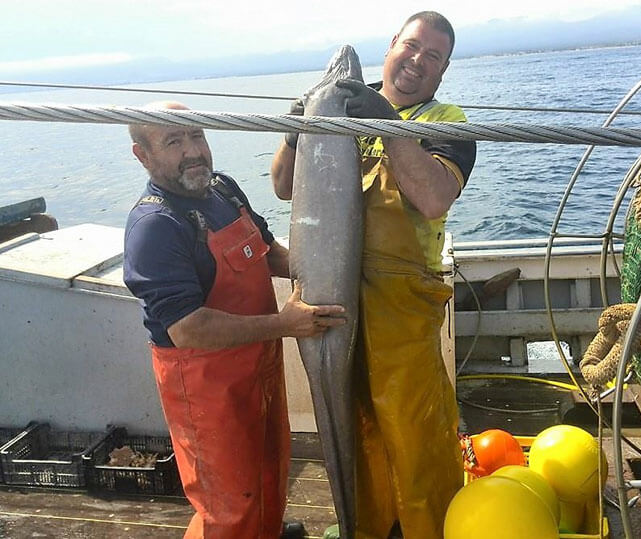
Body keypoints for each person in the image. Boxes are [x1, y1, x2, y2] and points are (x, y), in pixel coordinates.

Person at [270, 11, 477, 539]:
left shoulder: (446, 121)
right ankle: (365, 528)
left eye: (433, 57)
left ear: (444, 70)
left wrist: (383, 120)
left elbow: (433, 198)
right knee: (355, 428)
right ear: (391, 45)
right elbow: (283, 187)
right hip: (331, 297)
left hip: (402, 307)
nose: (417, 61)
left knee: (416, 436)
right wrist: (298, 129)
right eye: (412, 46)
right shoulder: (340, 105)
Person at [123, 101, 346, 539]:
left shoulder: (223, 190)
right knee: (227, 504)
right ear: (142, 155)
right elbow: (188, 327)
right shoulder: (155, 225)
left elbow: (268, 251)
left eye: (197, 136)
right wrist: (286, 324)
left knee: (267, 474)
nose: (193, 152)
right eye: (174, 141)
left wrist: (322, 274)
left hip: (259, 370)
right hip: (207, 391)